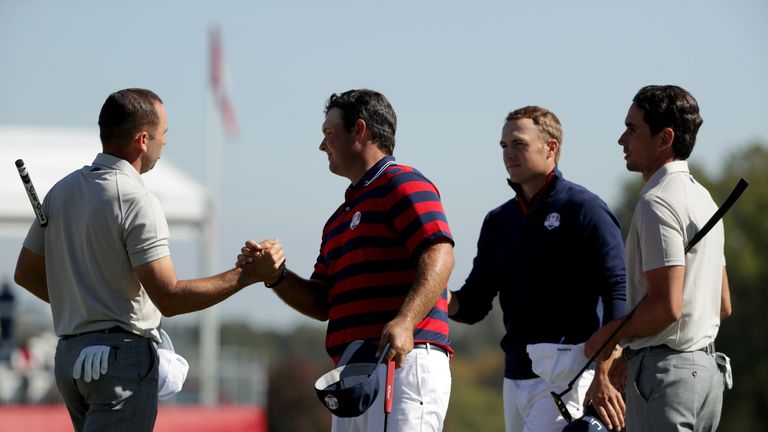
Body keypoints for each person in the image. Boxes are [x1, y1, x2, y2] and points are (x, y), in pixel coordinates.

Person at [14, 88, 284, 432]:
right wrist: (245, 275)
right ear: (143, 139)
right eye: (164, 134)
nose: (165, 142)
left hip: (70, 357)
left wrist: (84, 304)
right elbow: (168, 297)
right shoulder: (136, 198)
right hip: (119, 359)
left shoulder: (61, 190)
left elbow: (26, 273)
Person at [240, 89, 455, 432]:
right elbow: (322, 301)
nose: (322, 146)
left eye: (329, 133)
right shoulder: (340, 217)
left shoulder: (403, 182)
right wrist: (275, 276)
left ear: (360, 130)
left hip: (403, 363)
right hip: (355, 374)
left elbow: (440, 252)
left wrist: (406, 320)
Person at [446, 106, 628, 431]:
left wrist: (605, 372)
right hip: (513, 377)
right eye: (503, 146)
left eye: (518, 144)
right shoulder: (498, 221)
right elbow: (473, 302)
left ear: (551, 147)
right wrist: (435, 293)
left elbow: (617, 291)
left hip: (568, 372)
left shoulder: (585, 210)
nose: (508, 154)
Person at [586, 85, 731, 432]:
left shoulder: (658, 201)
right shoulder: (704, 197)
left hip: (668, 377)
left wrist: (610, 337)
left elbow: (667, 307)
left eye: (632, 130)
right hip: (708, 376)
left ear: (664, 138)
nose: (622, 140)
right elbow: (723, 304)